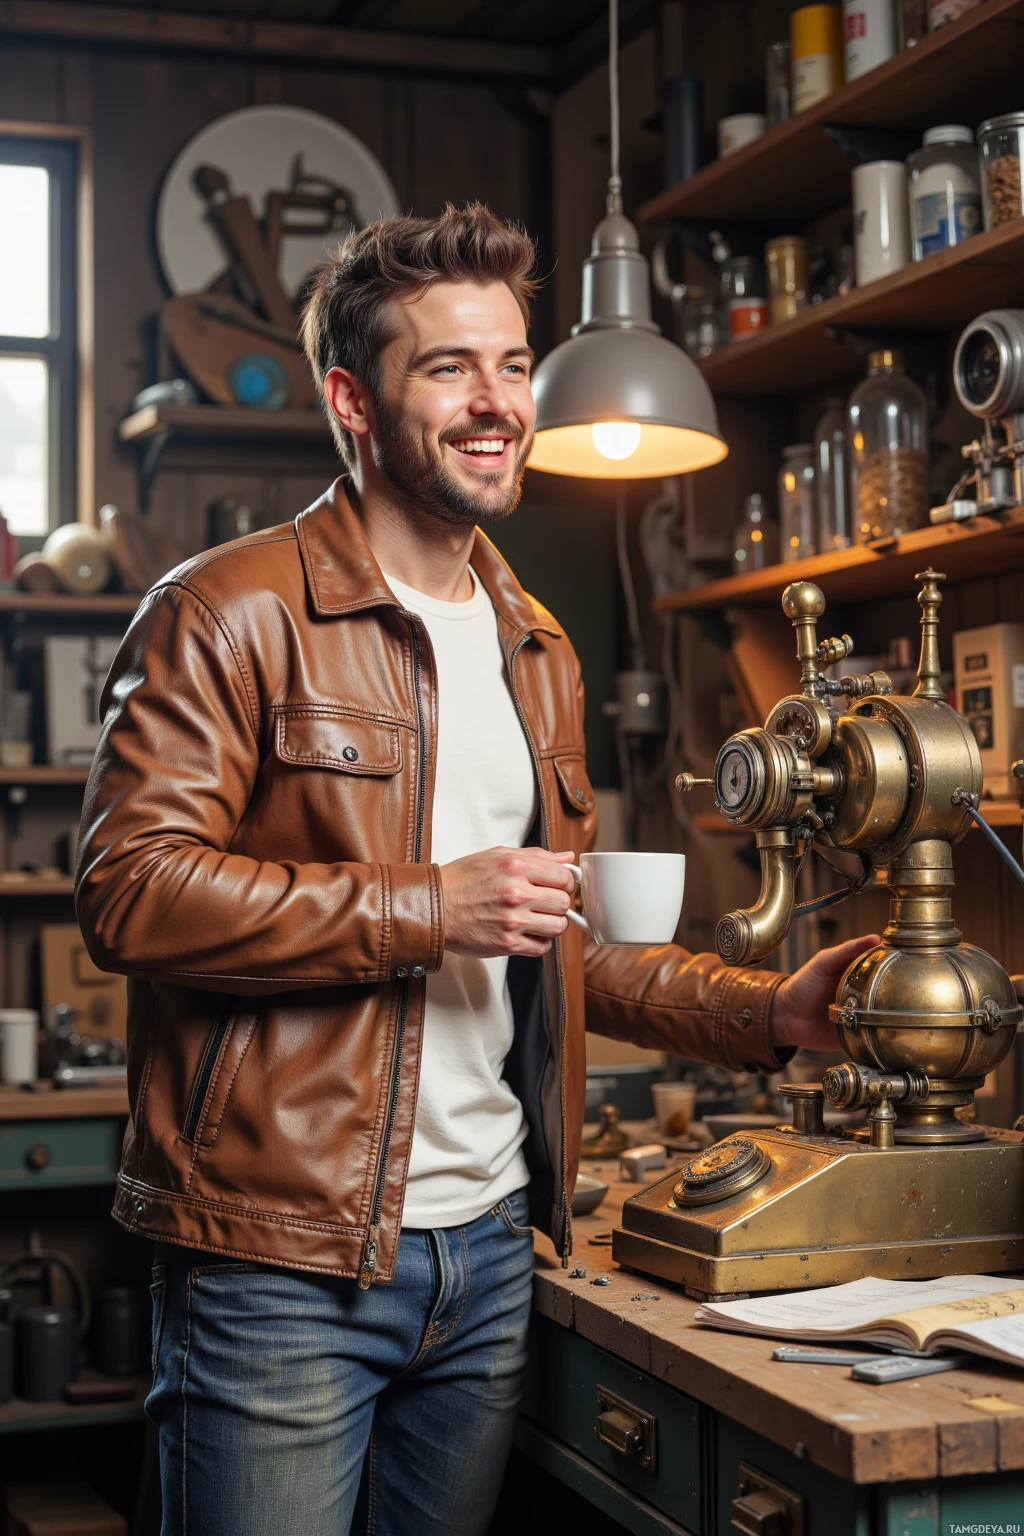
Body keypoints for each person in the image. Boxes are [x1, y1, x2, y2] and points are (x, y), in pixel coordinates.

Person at [76, 203, 877, 1536]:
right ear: (352, 400)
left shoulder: (533, 642)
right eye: (447, 368)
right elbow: (128, 894)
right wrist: (426, 908)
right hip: (283, 1262)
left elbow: (549, 935)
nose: (495, 401)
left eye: (511, 364)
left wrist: (762, 1013)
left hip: (492, 1254)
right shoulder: (225, 612)